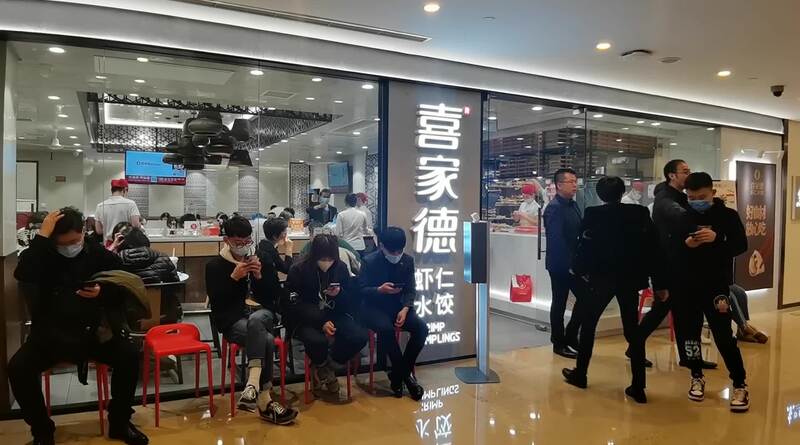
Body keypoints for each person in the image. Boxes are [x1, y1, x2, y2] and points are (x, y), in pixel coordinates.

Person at [8, 208, 148, 445]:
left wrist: (102, 292)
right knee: (18, 368)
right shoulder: (43, 255)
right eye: (63, 244)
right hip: (50, 336)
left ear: (83, 232)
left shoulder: (97, 253)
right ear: (52, 240)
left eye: (74, 241)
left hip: (93, 334)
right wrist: (42, 237)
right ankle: (42, 431)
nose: (70, 247)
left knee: (129, 355)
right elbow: (23, 273)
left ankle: (120, 422)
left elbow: (124, 287)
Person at [562, 176, 666, 404]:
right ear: (622, 192)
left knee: (589, 325)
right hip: (630, 279)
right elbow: (653, 249)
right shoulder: (639, 213)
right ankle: (638, 386)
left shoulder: (593, 214)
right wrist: (658, 282)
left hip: (601, 278)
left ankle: (581, 374)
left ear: (600, 195)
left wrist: (577, 270)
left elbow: (584, 246)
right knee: (632, 330)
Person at [205, 216, 297, 424]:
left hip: (261, 312)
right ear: (227, 240)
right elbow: (217, 303)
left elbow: (273, 294)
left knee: (257, 319)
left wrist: (259, 277)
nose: (244, 246)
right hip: (232, 319)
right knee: (266, 339)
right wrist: (234, 278)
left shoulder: (258, 257)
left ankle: (252, 386)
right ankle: (264, 399)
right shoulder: (214, 266)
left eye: (247, 241)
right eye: (238, 242)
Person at [678, 172, 750, 411]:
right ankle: (696, 376)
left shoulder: (728, 216)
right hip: (688, 285)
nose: (696, 201)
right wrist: (686, 245)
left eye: (702, 197)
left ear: (713, 193)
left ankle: (739, 383)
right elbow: (671, 249)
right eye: (691, 197)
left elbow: (741, 245)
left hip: (716, 286)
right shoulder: (684, 216)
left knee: (723, 336)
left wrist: (717, 239)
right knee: (690, 335)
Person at [638, 160, 718, 369]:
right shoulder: (666, 200)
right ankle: (638, 347)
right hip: (669, 267)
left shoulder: (681, 197)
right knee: (675, 314)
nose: (688, 174)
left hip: (681, 265)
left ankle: (688, 356)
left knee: (680, 314)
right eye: (685, 171)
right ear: (671, 175)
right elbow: (683, 220)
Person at [286, 234, 368, 398]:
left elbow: (350, 300)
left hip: (335, 313)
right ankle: (323, 367)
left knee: (359, 337)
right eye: (323, 258)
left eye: (330, 258)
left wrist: (339, 293)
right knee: (317, 341)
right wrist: (321, 322)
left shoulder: (340, 268)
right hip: (306, 319)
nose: (327, 262)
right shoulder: (298, 270)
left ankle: (326, 367)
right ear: (314, 254)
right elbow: (294, 304)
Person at [359, 227, 428, 400]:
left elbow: (411, 289)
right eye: (392, 251)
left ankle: (397, 376)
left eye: (400, 251)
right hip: (374, 308)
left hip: (399, 307)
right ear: (381, 246)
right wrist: (379, 290)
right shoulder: (369, 261)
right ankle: (407, 379)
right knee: (386, 329)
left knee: (421, 329)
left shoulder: (407, 261)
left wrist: (405, 308)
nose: (396, 254)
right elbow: (361, 290)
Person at [542, 168, 586, 358]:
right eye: (571, 182)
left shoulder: (573, 205)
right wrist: (568, 265)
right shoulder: (554, 208)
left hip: (574, 263)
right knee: (559, 302)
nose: (575, 185)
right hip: (560, 264)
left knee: (586, 298)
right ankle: (558, 342)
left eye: (576, 181)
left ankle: (571, 335)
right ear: (559, 185)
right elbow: (556, 240)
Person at [255, 217, 295, 313]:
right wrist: (289, 249)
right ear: (274, 236)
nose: (286, 235)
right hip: (269, 296)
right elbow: (287, 269)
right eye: (284, 232)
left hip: (259, 291)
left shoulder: (262, 245)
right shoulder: (268, 251)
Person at [333, 193, 371, 258]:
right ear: (356, 202)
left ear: (345, 202)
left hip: (347, 246)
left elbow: (338, 234)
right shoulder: (362, 214)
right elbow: (365, 231)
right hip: (360, 246)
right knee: (359, 263)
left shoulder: (341, 215)